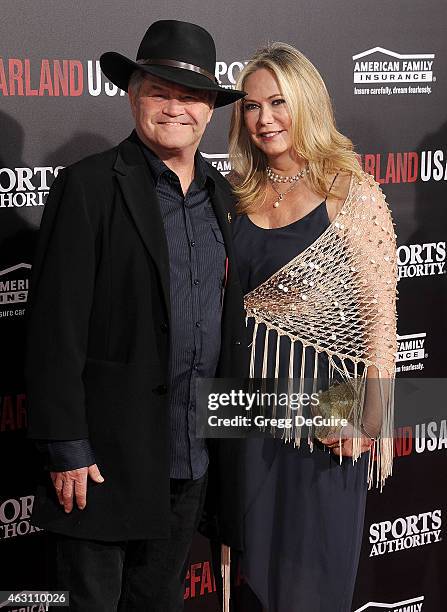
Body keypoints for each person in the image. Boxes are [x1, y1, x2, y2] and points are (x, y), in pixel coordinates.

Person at [25, 20, 248, 612]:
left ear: (210, 110)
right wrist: (67, 445)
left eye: (191, 96)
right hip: (103, 460)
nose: (176, 108)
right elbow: (54, 329)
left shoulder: (223, 197)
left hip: (189, 457)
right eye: (160, 91)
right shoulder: (90, 187)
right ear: (133, 96)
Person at [224, 43, 398, 612]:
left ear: (308, 104)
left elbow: (379, 323)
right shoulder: (233, 194)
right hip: (249, 413)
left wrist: (367, 422)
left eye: (278, 103)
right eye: (251, 107)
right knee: (252, 580)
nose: (264, 119)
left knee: (309, 585)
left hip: (326, 414)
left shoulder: (351, 193)